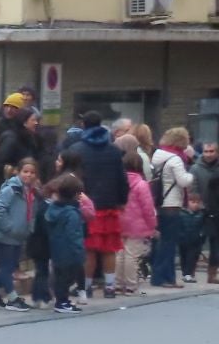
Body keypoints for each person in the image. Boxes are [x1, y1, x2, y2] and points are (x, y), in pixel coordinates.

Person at [72, 113, 128, 299]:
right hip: (109, 205)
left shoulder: (77, 149)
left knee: (89, 249)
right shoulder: (113, 150)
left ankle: (86, 287)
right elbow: (122, 178)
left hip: (85, 204)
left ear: (83, 125)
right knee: (109, 248)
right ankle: (110, 287)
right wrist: (122, 200)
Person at [0, 156, 40, 310]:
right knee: (7, 267)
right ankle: (12, 298)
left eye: (32, 172)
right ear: (18, 172)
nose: (28, 175)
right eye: (25, 171)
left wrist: (30, 228)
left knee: (9, 265)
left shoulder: (32, 191)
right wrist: (8, 227)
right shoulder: (11, 189)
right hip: (5, 235)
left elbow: (32, 213)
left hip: (19, 235)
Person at [150, 127, 195, 288]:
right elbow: (183, 181)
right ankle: (165, 278)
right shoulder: (176, 159)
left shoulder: (158, 155)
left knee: (161, 242)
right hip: (171, 204)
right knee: (169, 244)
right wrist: (192, 173)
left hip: (159, 203)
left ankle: (159, 276)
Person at [117, 149, 157, 295]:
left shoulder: (118, 182)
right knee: (132, 256)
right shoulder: (142, 184)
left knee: (119, 253)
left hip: (119, 222)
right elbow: (148, 208)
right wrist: (152, 225)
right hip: (137, 225)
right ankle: (130, 285)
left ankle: (117, 283)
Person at [46, 175, 88, 312]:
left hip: (57, 248)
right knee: (66, 278)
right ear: (75, 194)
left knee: (59, 276)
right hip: (69, 252)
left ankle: (60, 300)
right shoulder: (72, 213)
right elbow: (74, 234)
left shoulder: (53, 209)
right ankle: (62, 302)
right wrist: (80, 251)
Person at [194, 142, 219, 283]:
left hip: (216, 211)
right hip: (200, 209)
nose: (208, 154)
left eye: (211, 151)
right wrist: (198, 205)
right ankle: (189, 272)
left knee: (216, 245)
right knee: (195, 243)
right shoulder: (196, 168)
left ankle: (212, 274)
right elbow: (193, 188)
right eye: (206, 151)